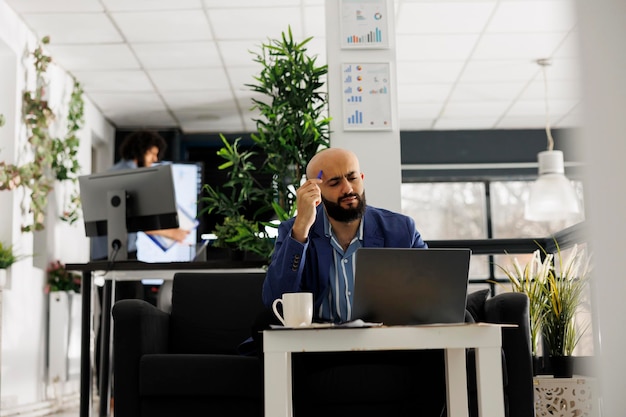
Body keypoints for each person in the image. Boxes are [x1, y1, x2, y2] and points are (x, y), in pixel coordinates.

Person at [262, 147, 427, 323]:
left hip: (385, 342)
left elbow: (431, 294)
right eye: (334, 183)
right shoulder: (294, 231)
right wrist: (301, 229)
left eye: (352, 178)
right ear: (315, 191)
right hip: (318, 344)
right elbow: (275, 301)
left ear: (362, 179)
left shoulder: (401, 230)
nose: (347, 189)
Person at [90, 130, 190, 262]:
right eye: (151, 154)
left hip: (101, 252)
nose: (155, 159)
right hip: (119, 253)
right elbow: (139, 220)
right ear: (139, 152)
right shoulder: (131, 176)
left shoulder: (114, 171)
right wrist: (173, 233)